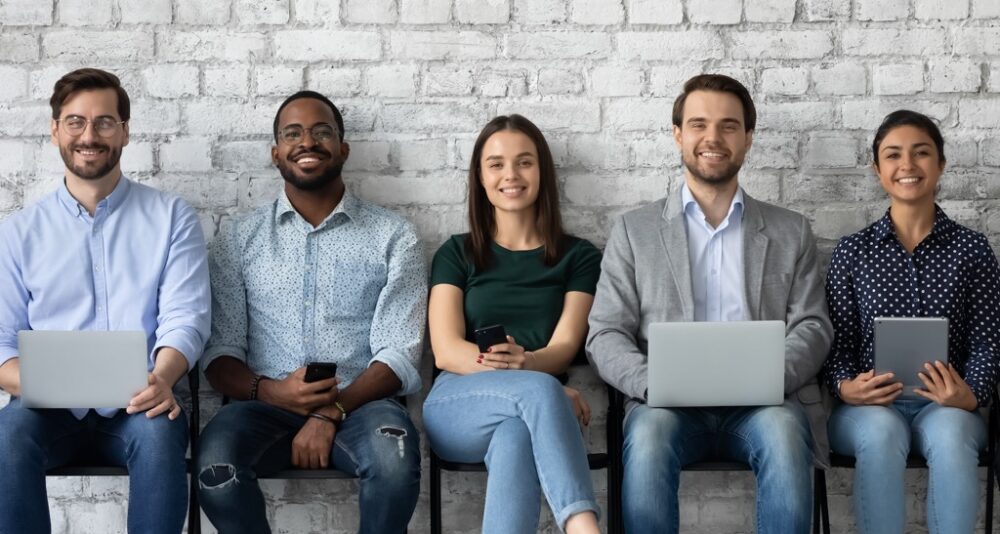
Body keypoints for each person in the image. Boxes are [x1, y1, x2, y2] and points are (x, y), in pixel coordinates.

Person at [586, 74, 833, 533]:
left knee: (783, 434)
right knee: (648, 437)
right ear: (678, 134)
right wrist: (654, 383)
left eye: (728, 126)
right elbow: (605, 333)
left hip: (765, 405)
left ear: (748, 139)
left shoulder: (790, 230)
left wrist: (766, 379)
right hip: (665, 407)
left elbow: (813, 326)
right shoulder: (634, 232)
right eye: (698, 124)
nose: (713, 138)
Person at [196, 90, 426, 534]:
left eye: (322, 132)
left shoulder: (393, 235)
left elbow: (398, 354)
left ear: (343, 148)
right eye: (293, 133)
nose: (308, 142)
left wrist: (330, 411)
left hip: (364, 406)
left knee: (394, 465)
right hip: (262, 408)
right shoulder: (239, 238)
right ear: (276, 152)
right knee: (215, 470)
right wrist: (272, 392)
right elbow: (220, 355)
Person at [0, 68, 211, 534]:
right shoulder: (16, 234)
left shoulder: (171, 217)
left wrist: (163, 377)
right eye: (75, 122)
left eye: (104, 122)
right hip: (45, 412)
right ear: (55, 130)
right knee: (6, 435)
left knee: (158, 438)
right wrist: (43, 383)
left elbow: (187, 317)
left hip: (140, 401)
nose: (89, 136)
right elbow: (0, 344)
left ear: (125, 131)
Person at [821, 109, 1000, 534]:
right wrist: (846, 385)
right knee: (881, 436)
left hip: (946, 405)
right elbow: (836, 344)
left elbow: (988, 342)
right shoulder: (852, 252)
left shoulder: (973, 251)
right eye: (893, 155)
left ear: (940, 164)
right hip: (868, 408)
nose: (907, 165)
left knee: (954, 438)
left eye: (921, 153)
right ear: (877, 168)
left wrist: (969, 394)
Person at [422, 114, 602, 534]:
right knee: (541, 391)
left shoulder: (580, 257)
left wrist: (535, 379)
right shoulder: (456, 252)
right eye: (496, 164)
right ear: (480, 178)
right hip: (458, 403)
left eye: (524, 162)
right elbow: (447, 349)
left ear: (542, 172)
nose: (511, 175)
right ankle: (583, 527)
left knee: (516, 436)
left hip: (532, 408)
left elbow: (564, 347)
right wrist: (546, 387)